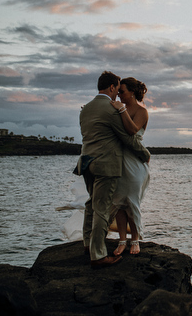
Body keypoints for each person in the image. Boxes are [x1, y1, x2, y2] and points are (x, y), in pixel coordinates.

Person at [75, 71, 150, 268]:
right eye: (117, 89)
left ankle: (87, 243)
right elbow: (128, 137)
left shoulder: (86, 109)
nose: (118, 93)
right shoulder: (111, 109)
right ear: (111, 87)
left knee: (91, 204)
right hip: (105, 163)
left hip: (86, 162)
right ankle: (98, 255)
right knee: (102, 209)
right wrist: (145, 154)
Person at [108, 77, 150, 256]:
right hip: (118, 159)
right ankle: (122, 240)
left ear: (132, 92)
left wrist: (122, 110)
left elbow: (132, 130)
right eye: (118, 92)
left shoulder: (141, 111)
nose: (119, 95)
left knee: (132, 202)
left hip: (134, 162)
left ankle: (135, 240)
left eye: (122, 91)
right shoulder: (116, 108)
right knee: (118, 202)